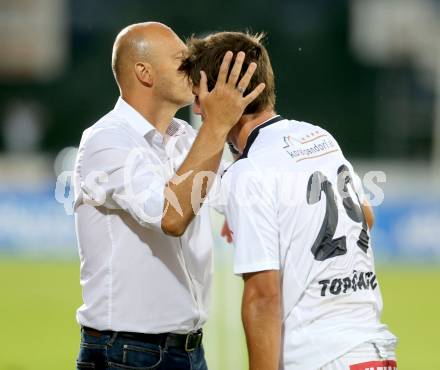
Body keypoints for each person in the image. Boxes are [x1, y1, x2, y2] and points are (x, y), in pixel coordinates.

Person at [180, 31, 397, 370]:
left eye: (198, 96)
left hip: (319, 358)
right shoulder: (318, 136)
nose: (196, 109)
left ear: (221, 97)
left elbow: (263, 298)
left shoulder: (249, 174)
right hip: (371, 350)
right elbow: (365, 215)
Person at [73, 22, 265, 370]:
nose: (193, 67)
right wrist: (216, 125)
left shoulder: (185, 137)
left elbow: (240, 194)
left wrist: (318, 178)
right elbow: (170, 216)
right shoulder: (106, 140)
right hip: (126, 352)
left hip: (189, 350)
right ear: (144, 72)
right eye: (181, 59)